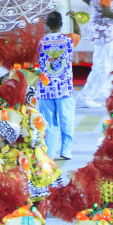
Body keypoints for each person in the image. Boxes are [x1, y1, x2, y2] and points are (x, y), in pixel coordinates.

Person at [36, 9, 77, 163]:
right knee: (67, 120)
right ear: (61, 24)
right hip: (64, 88)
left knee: (48, 122)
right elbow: (78, 34)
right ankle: (66, 151)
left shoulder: (41, 42)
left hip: (45, 88)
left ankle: (50, 152)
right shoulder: (68, 40)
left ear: (47, 24)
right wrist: (74, 20)